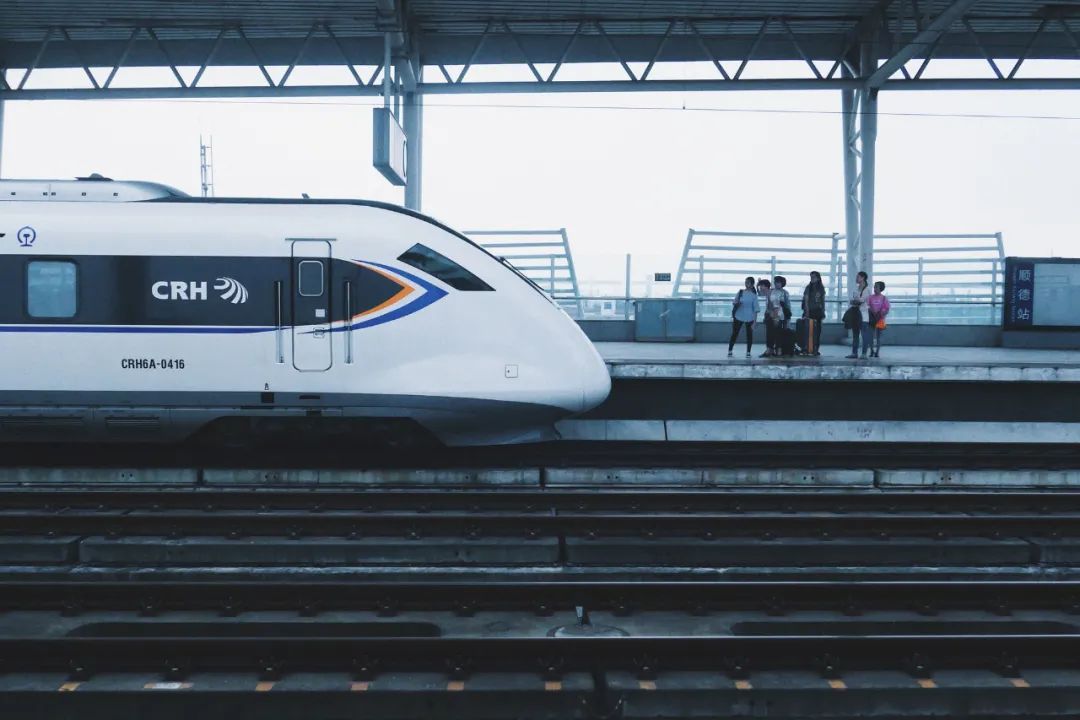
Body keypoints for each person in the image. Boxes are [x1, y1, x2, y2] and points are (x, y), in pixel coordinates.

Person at [728, 276, 759, 358]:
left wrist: (755, 322)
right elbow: (734, 302)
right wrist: (737, 303)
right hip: (739, 316)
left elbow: (756, 309)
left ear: (752, 284)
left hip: (750, 317)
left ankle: (748, 352)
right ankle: (730, 350)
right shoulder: (740, 292)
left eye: (748, 282)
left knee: (749, 335)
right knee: (735, 333)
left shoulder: (754, 295)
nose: (746, 284)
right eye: (746, 282)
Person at [846, 271, 872, 359]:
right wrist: (856, 301)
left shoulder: (867, 289)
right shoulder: (857, 289)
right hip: (856, 314)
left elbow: (861, 301)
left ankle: (864, 353)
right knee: (855, 334)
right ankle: (854, 353)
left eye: (858, 277)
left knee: (864, 335)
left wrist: (856, 301)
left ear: (863, 278)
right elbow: (853, 300)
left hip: (863, 315)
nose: (856, 279)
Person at [764, 275, 791, 358]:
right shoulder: (771, 291)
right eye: (775, 282)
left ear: (782, 283)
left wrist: (788, 319)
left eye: (778, 282)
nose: (776, 284)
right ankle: (770, 349)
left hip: (780, 316)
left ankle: (778, 349)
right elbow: (768, 304)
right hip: (771, 315)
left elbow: (787, 306)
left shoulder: (785, 293)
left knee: (778, 333)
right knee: (769, 333)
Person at [801, 271, 826, 356]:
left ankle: (815, 348)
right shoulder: (809, 287)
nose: (812, 279)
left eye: (814, 277)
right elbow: (806, 300)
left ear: (818, 278)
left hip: (818, 311)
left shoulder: (821, 288)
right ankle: (806, 348)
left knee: (817, 331)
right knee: (808, 331)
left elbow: (822, 301)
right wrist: (807, 312)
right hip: (810, 311)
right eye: (811, 277)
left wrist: (823, 312)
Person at [867, 281, 891, 358]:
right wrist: (871, 310)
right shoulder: (870, 297)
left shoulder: (884, 298)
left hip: (880, 319)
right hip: (871, 318)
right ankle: (871, 350)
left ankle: (877, 352)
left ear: (881, 288)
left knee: (879, 336)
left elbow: (887, 308)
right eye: (874, 287)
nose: (874, 288)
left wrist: (882, 312)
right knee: (870, 335)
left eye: (876, 287)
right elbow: (867, 306)